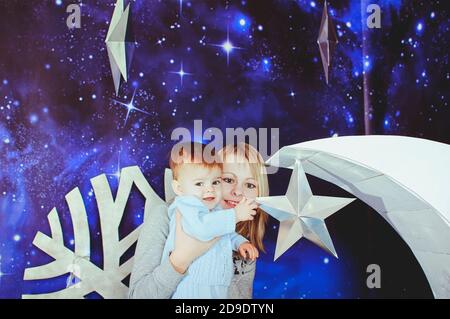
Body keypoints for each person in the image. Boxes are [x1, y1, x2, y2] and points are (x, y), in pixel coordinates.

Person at [128, 143, 269, 299]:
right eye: (228, 180)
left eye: (249, 184)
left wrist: (240, 242)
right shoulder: (166, 216)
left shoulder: (245, 248)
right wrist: (180, 260)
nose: (237, 191)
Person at [160, 142, 258, 298]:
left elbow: (225, 232)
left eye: (216, 182)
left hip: (216, 282)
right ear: (179, 189)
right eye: (199, 183)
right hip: (191, 283)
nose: (209, 189)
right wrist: (236, 215)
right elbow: (203, 228)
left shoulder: (214, 210)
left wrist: (241, 242)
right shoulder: (187, 205)